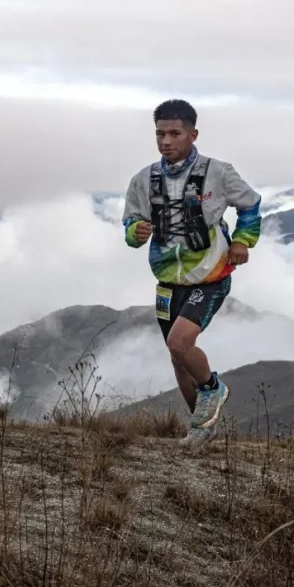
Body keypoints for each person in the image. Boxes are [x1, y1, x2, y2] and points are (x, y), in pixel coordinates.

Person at [122, 99, 262, 445]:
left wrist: (242, 242)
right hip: (168, 281)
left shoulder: (219, 172)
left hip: (210, 276)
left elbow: (251, 205)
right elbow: (131, 221)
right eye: (160, 134)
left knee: (179, 342)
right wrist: (135, 231)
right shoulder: (144, 179)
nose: (166, 141)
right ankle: (201, 429)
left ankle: (214, 387)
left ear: (192, 133)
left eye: (174, 133)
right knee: (177, 357)